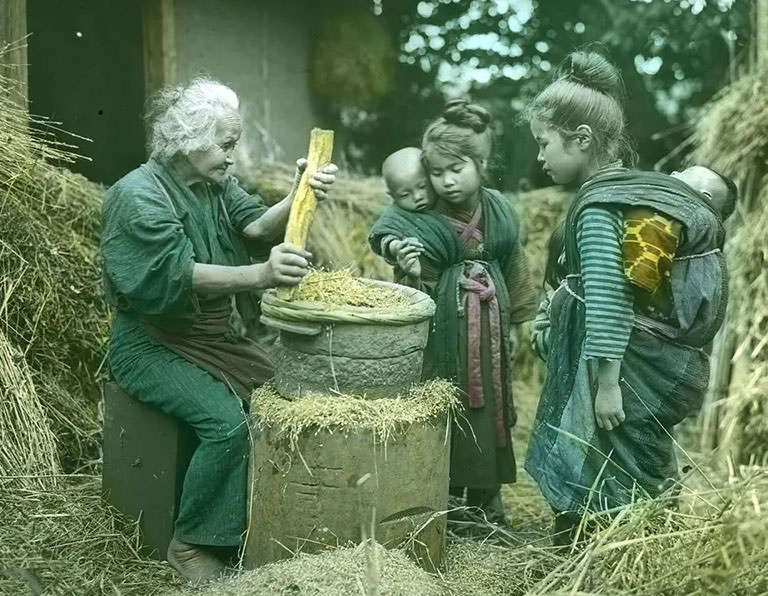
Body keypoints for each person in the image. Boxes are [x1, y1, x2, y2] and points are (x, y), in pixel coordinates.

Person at [100, 76, 337, 582]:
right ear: (189, 139)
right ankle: (191, 544)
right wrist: (262, 276)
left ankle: (260, 520)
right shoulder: (138, 196)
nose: (233, 156)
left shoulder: (213, 184)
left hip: (211, 338)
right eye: (226, 144)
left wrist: (299, 193)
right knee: (225, 422)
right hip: (152, 342)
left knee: (282, 398)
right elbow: (175, 275)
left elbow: (254, 226)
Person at [522, 51, 734, 546]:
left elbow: (610, 297)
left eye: (544, 143)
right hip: (631, 359)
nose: (539, 157)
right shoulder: (622, 193)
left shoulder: (600, 206)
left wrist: (608, 384)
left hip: (620, 365)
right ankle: (627, 543)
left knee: (599, 453)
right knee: (623, 453)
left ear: (582, 139)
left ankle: (599, 551)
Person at [369, 100, 537, 526]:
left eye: (456, 169)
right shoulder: (421, 215)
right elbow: (403, 256)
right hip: (446, 331)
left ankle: (487, 495)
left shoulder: (497, 207)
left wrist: (521, 320)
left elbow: (514, 262)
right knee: (447, 403)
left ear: (481, 164)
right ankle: (446, 497)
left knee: (492, 406)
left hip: (492, 328)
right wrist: (405, 263)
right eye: (436, 172)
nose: (445, 182)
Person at [379, 146, 435, 285]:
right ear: (392, 196)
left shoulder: (446, 203)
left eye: (423, 186)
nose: (417, 197)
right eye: (405, 195)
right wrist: (397, 247)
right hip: (414, 279)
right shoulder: (396, 216)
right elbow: (384, 236)